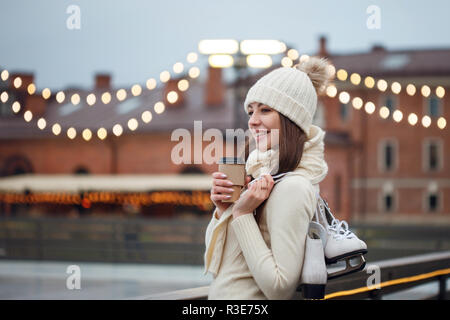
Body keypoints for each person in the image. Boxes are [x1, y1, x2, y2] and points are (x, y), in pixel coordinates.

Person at [204, 56, 332, 300]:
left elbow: (279, 288)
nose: (253, 121)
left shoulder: (293, 187)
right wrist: (224, 211)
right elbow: (219, 267)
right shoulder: (261, 178)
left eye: (265, 110)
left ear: (291, 119)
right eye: (251, 110)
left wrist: (241, 215)